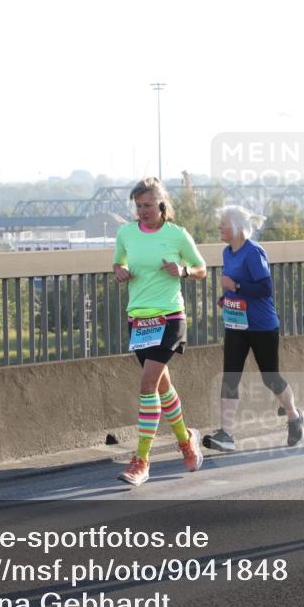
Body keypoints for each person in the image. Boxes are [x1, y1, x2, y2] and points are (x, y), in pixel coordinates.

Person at [112, 178, 208, 487]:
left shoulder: (176, 235)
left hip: (169, 318)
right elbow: (118, 263)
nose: (142, 211)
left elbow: (201, 269)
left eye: (148, 205)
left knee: (148, 383)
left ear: (162, 205)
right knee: (162, 385)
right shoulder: (125, 233)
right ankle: (185, 440)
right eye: (138, 206)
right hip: (139, 321)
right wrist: (119, 272)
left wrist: (182, 271)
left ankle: (142, 460)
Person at [202, 205, 304, 452]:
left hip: (262, 326)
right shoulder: (227, 252)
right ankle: (226, 434)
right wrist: (226, 297)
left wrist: (235, 286)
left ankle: (293, 415)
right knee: (230, 377)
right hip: (236, 324)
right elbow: (234, 286)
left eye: (223, 223)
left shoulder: (254, 252)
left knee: (270, 377)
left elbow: (265, 288)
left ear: (237, 227)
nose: (219, 228)